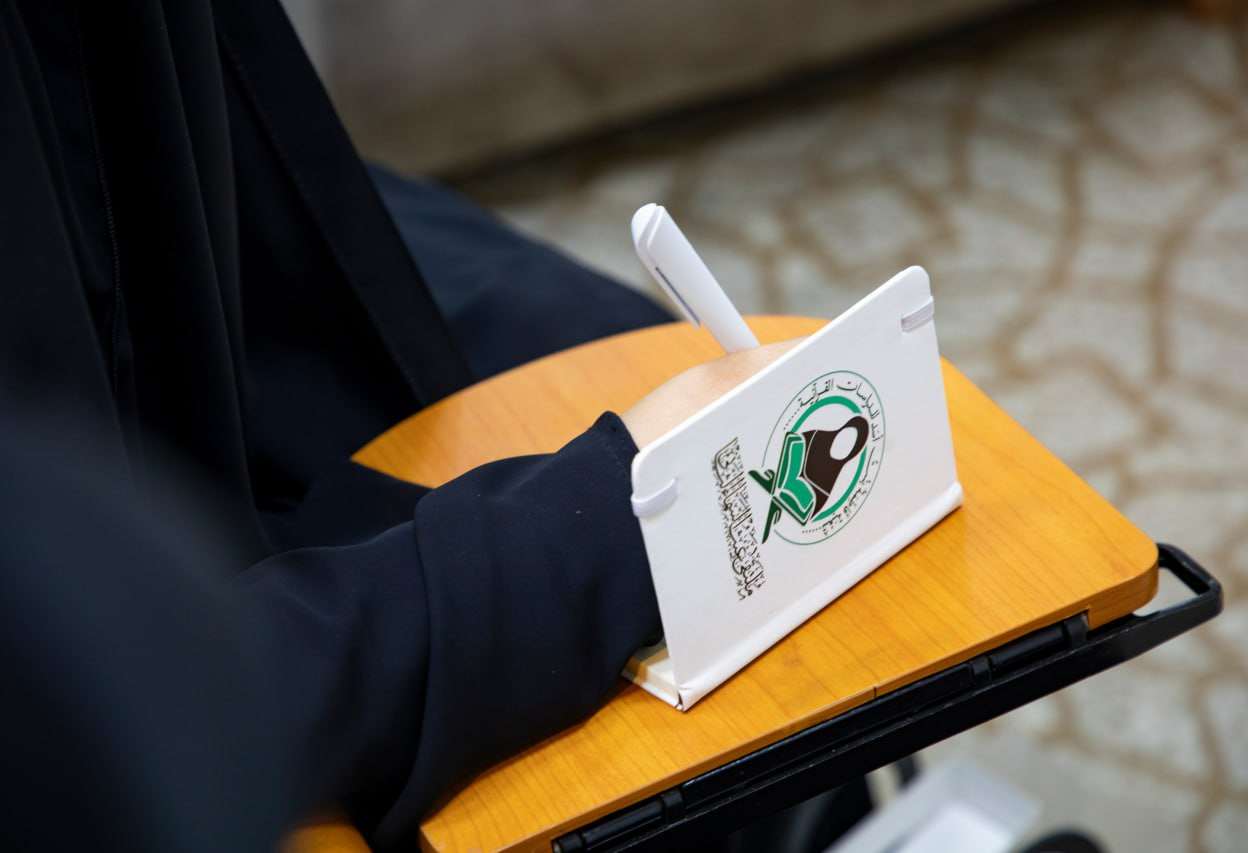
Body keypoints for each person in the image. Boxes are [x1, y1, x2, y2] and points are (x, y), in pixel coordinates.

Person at [0, 0, 795, 849]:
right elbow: (114, 704)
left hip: (225, 276)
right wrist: (602, 521)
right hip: (187, 613)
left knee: (612, 330)